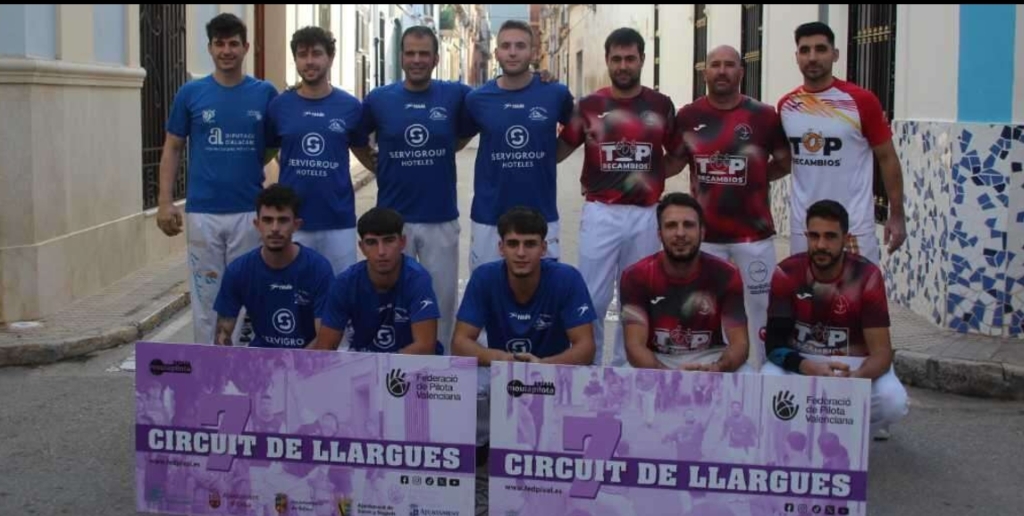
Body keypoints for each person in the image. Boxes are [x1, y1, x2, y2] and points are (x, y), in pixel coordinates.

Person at [556, 27, 683, 367]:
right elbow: (560, 150)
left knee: (637, 299)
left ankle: (626, 369)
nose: (623, 66)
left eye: (630, 58)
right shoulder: (589, 105)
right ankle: (590, 366)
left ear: (642, 59)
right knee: (592, 297)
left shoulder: (660, 105)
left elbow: (678, 155)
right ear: (607, 60)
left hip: (646, 216)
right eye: (616, 59)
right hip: (601, 213)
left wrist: (651, 177)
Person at [156, 13, 279, 344]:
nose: (227, 51)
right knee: (206, 296)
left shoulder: (265, 93)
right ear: (209, 48)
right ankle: (209, 366)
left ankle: (243, 364)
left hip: (248, 213)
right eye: (219, 44)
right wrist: (165, 202)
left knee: (246, 295)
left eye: (233, 44)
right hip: (203, 214)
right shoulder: (190, 93)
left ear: (246, 47)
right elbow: (173, 147)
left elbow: (272, 146)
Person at [354, 26, 476, 355]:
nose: (417, 60)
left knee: (442, 302)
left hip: (440, 218)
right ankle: (396, 365)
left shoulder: (455, 95)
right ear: (401, 57)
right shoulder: (379, 99)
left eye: (424, 54)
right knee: (395, 304)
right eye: (410, 53)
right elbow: (356, 138)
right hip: (393, 223)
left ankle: (442, 366)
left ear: (436, 59)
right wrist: (376, 165)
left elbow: (474, 123)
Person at [670, 44, 792, 368]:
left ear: (741, 71)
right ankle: (716, 374)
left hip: (754, 237)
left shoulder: (764, 115)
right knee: (708, 311)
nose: (722, 71)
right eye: (715, 65)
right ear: (704, 72)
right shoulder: (688, 116)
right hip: (705, 238)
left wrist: (758, 177)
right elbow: (674, 163)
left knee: (759, 310)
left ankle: (761, 374)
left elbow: (784, 161)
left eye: (729, 65)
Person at [452, 206, 597, 456]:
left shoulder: (567, 278)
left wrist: (542, 366)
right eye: (513, 244)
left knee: (589, 384)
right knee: (464, 377)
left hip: (553, 375)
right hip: (503, 374)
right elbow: (460, 343)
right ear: (501, 248)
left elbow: (586, 348)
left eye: (530, 244)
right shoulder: (484, 277)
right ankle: (481, 442)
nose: (521, 253)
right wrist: (504, 359)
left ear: (544, 248)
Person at [762, 199, 909, 440]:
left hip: (853, 367)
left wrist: (852, 382)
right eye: (814, 236)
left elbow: (882, 354)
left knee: (893, 401)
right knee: (765, 381)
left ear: (846, 239)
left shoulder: (867, 276)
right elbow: (774, 345)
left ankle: (853, 440)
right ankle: (795, 438)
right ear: (806, 236)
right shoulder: (786, 272)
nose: (821, 245)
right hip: (803, 363)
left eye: (830, 237)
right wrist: (809, 367)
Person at [777, 21, 906, 265]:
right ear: (796, 57)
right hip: (804, 228)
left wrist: (897, 215)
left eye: (820, 49)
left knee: (857, 290)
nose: (812, 57)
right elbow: (784, 161)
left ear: (835, 54)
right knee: (806, 289)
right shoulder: (786, 105)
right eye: (805, 50)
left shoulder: (861, 101)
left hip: (852, 227)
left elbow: (887, 158)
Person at [461, 20, 575, 272]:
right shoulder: (477, 99)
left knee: (543, 289)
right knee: (487, 289)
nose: (512, 52)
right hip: (489, 217)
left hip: (541, 215)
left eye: (520, 46)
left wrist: (552, 155)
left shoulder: (555, 94)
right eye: (506, 46)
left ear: (533, 52)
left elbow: (577, 131)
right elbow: (458, 140)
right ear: (496, 53)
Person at [266, 26, 373, 276]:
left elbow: (365, 153)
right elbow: (267, 153)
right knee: (293, 293)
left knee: (340, 292)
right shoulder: (279, 106)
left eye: (316, 53)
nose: (309, 61)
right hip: (292, 222)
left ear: (331, 57)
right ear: (295, 59)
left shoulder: (350, 106)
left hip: (338, 222)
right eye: (302, 55)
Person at [619, 192, 752, 372]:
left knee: (745, 372)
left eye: (688, 225)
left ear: (702, 232)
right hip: (656, 359)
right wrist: (671, 377)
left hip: (710, 357)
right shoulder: (635, 276)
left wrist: (718, 368)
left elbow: (740, 343)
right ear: (659, 234)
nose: (680, 233)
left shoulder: (727, 274)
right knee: (625, 374)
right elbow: (634, 346)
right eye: (671, 225)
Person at [212, 184, 334, 348]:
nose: (275, 228)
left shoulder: (319, 269)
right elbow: (222, 336)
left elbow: (325, 340)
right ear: (257, 224)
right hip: (259, 359)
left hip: (307, 359)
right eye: (268, 220)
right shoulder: (238, 271)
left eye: (283, 220)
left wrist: (295, 363)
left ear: (296, 225)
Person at [311, 207, 440, 355]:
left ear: (402, 242)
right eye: (372, 242)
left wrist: (378, 366)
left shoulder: (418, 279)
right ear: (362, 247)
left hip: (410, 366)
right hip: (363, 365)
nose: (381, 252)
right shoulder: (344, 284)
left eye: (389, 240)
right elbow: (325, 349)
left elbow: (425, 347)